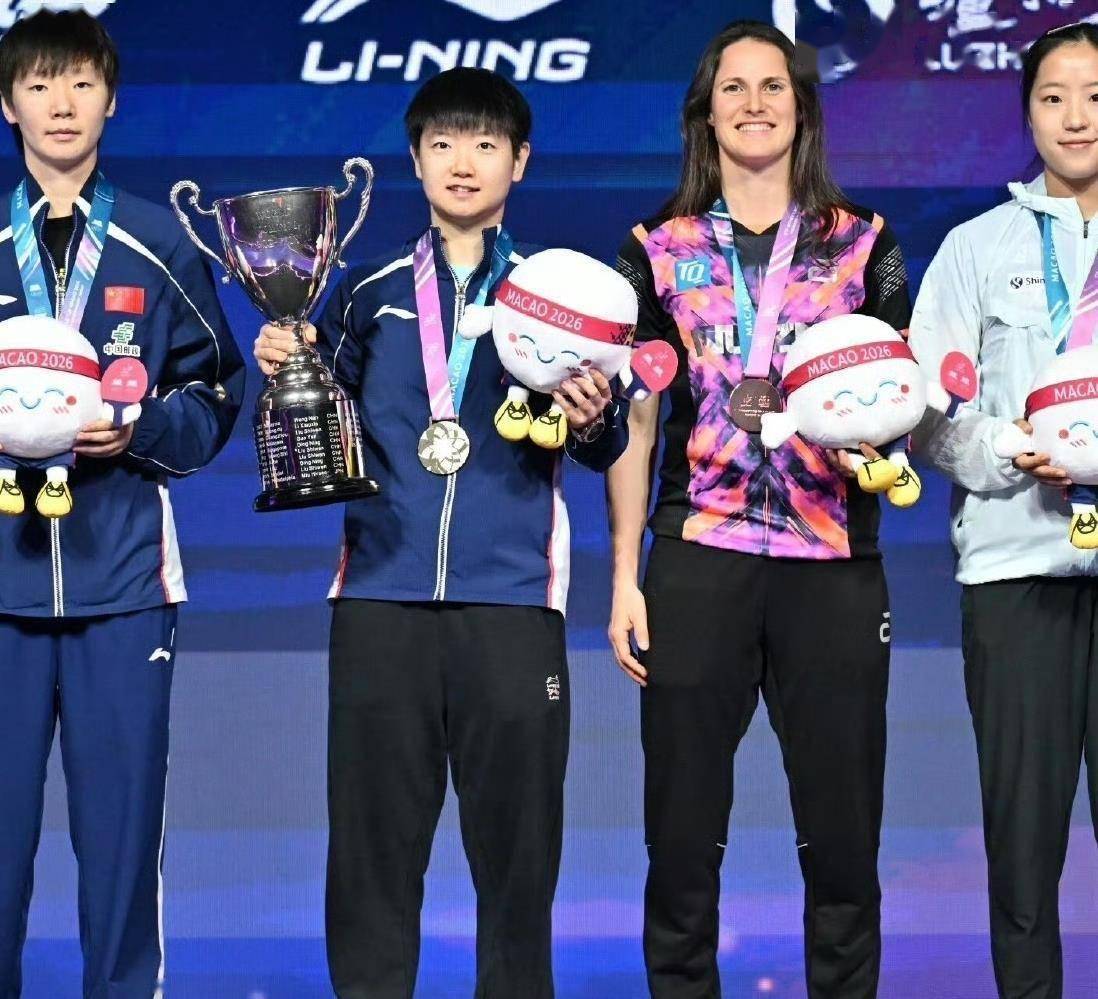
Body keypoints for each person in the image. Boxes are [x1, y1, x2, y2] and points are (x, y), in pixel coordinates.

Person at [253, 67, 627, 999]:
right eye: (444, 143)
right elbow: (323, 421)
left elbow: (605, 440)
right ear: (416, 159)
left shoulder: (557, 294)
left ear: (520, 161)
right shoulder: (368, 292)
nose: (464, 162)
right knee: (372, 855)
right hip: (381, 598)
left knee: (519, 860)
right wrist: (286, 364)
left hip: (512, 603)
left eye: (486, 144)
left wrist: (593, 418)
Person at [608, 20, 911, 998]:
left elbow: (901, 400)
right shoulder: (656, 250)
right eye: (732, 87)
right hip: (698, 557)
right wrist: (625, 577)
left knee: (844, 836)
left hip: (832, 563)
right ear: (705, 112)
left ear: (802, 107)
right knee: (681, 836)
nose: (753, 103)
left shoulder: (863, 243)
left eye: (772, 85)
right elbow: (637, 419)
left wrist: (878, 448)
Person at [0, 10, 245, 999]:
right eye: (39, 84)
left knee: (121, 847)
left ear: (111, 100)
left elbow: (216, 395)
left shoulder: (157, 241)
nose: (60, 104)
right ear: (7, 105)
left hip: (126, 587)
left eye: (81, 83)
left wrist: (136, 430)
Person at [909, 21, 1098, 999]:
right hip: (1016, 567)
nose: (1077, 116)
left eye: (1096, 96)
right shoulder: (975, 248)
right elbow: (921, 411)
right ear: (1026, 114)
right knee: (1023, 844)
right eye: (1054, 97)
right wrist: (1002, 449)